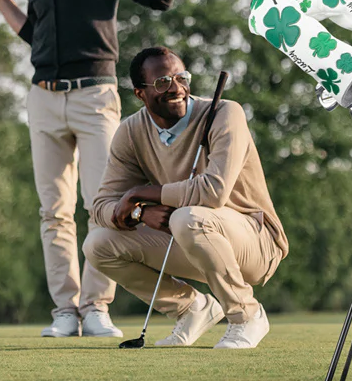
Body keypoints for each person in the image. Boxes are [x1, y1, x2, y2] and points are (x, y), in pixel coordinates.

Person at [0, 0, 197, 338]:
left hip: (94, 95)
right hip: (43, 98)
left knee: (101, 204)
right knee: (53, 211)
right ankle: (65, 311)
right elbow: (34, 35)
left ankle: (97, 306)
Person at [84, 46, 288, 349]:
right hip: (191, 235)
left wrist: (140, 193)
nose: (176, 88)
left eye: (181, 78)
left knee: (186, 217)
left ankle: (246, 314)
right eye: (162, 82)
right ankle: (191, 308)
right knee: (98, 244)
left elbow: (213, 192)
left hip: (256, 242)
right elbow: (101, 206)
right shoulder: (130, 131)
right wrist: (141, 213)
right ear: (140, 93)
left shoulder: (225, 112)